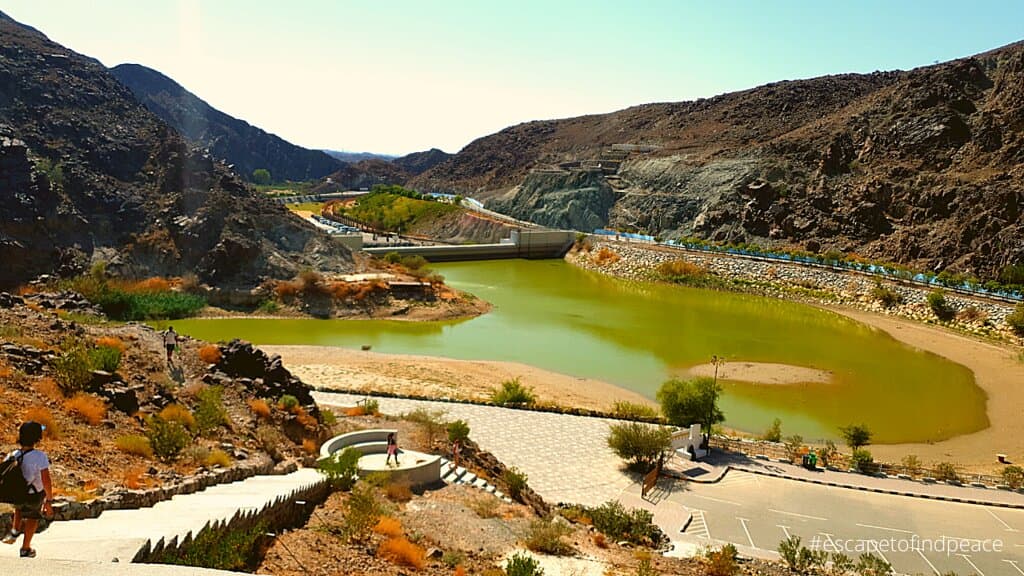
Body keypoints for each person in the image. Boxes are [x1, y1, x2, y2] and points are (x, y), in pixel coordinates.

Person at [2, 421, 53, 558]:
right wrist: (49, 499)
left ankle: (14, 531)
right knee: (32, 517)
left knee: (19, 508)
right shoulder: (40, 456)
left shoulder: (13, 454)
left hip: (17, 494)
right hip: (34, 494)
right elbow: (46, 479)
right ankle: (25, 548)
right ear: (37, 438)